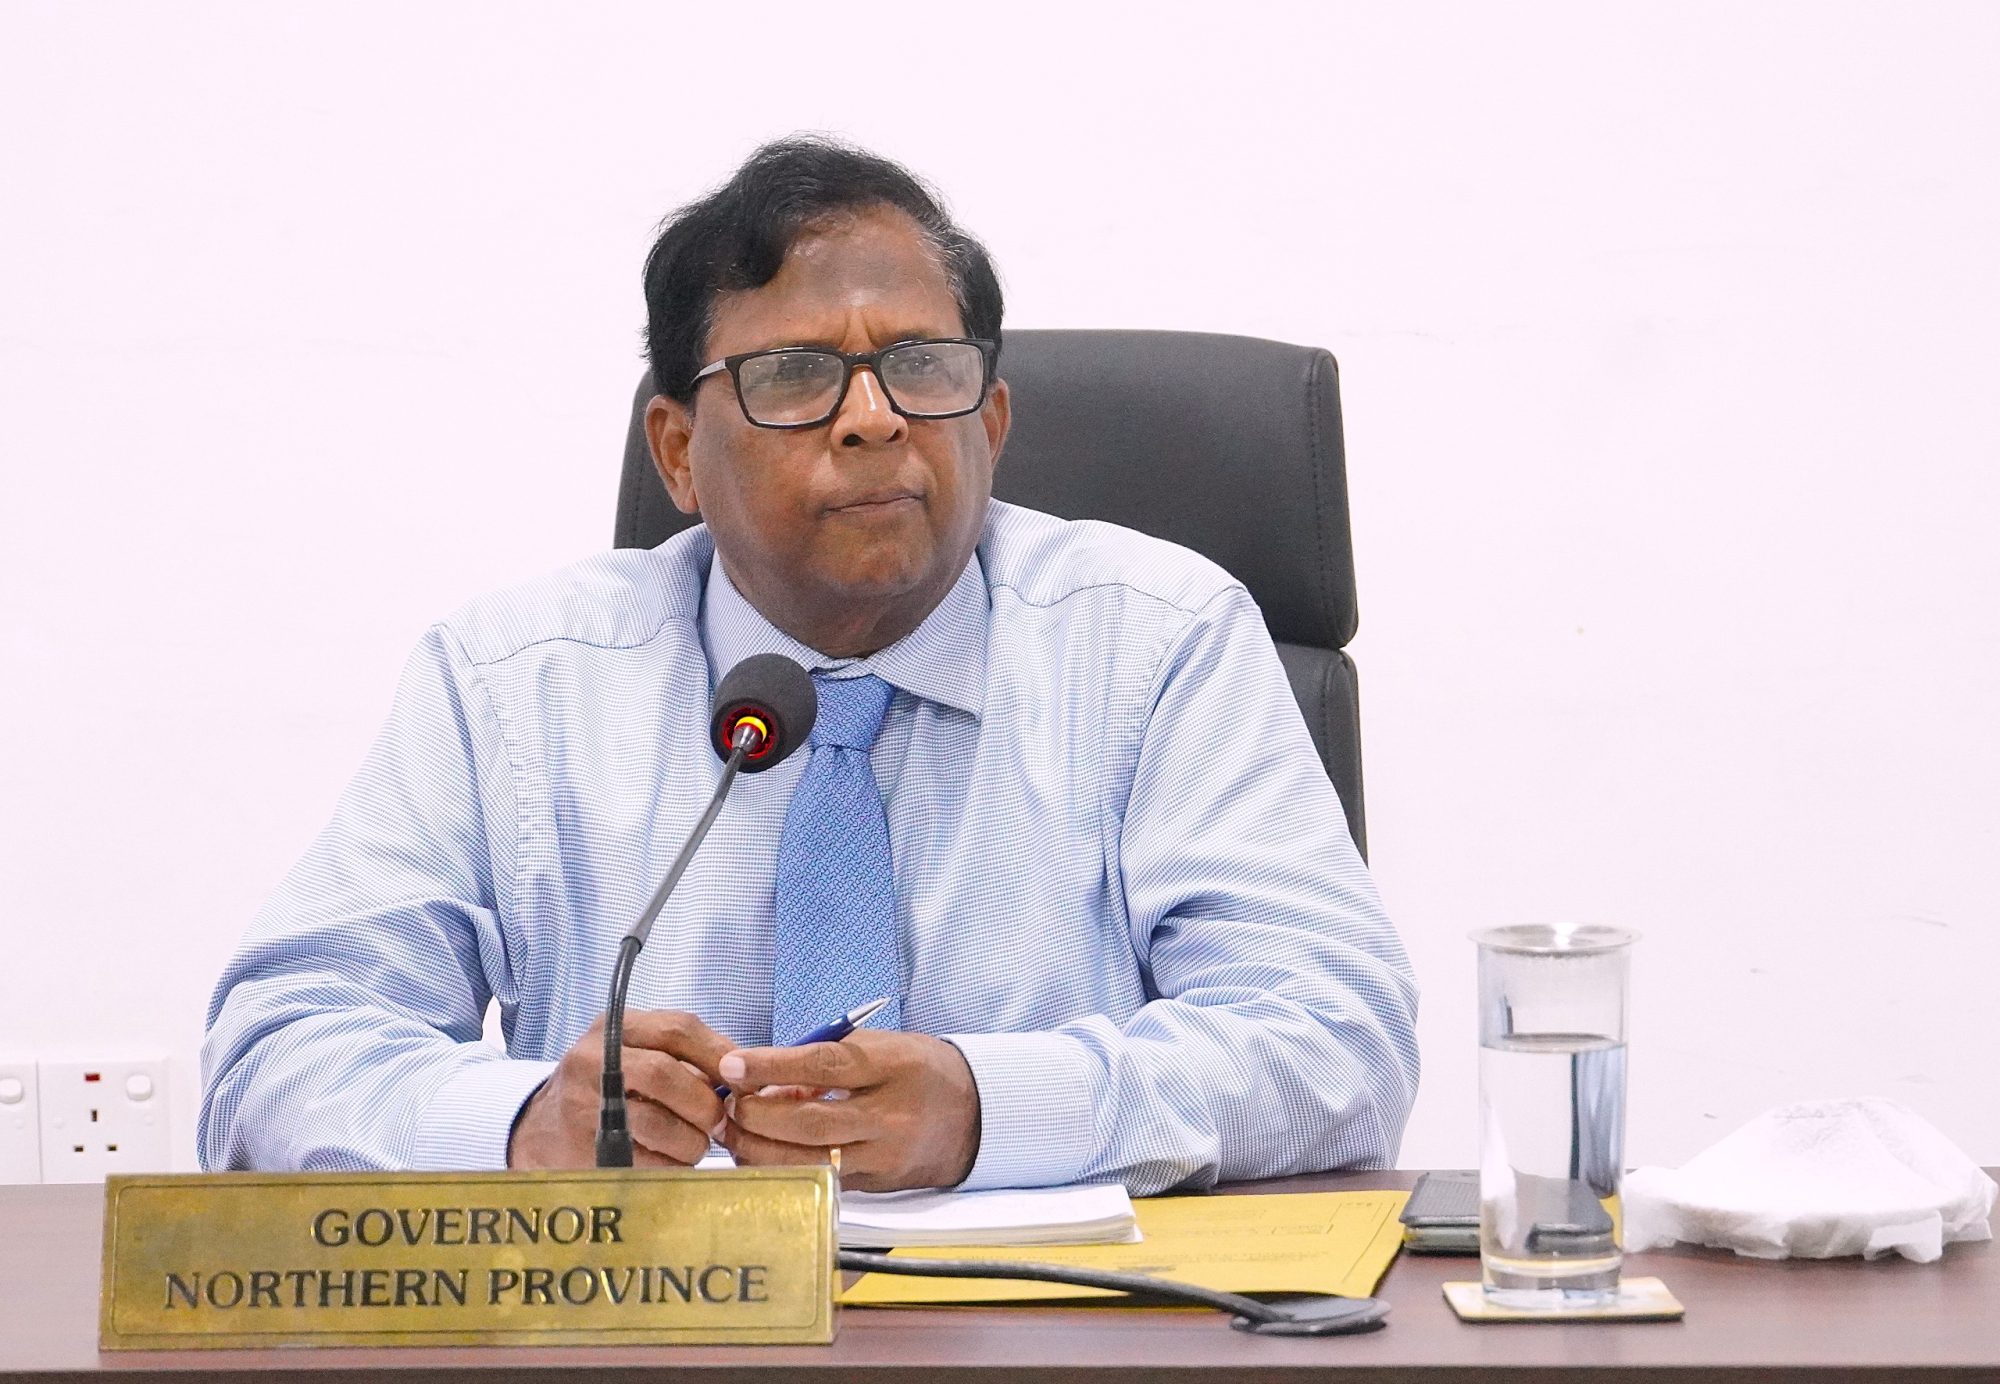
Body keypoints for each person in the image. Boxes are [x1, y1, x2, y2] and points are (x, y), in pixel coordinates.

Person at [200, 136, 1420, 1195]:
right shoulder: (515, 683)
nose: (874, 417)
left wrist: (989, 1109)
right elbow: (275, 1055)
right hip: (641, 1336)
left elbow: (1335, 1038)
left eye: (921, 366)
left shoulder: (1157, 645)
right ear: (676, 453)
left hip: (1055, 1324)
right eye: (793, 375)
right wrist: (520, 1126)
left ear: (991, 424)